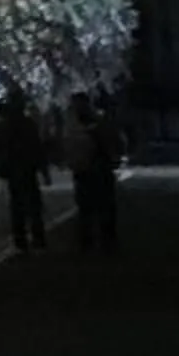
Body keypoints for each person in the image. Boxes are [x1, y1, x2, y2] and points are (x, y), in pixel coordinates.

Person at [0, 91, 49, 251]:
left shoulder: (4, 125)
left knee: (18, 206)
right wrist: (44, 170)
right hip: (26, 168)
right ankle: (37, 238)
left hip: (14, 169)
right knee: (33, 205)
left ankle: (21, 239)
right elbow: (37, 147)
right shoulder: (27, 123)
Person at [67, 90, 121, 251]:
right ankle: (92, 241)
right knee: (89, 208)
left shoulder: (95, 123)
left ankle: (103, 240)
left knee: (100, 208)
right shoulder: (78, 125)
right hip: (86, 171)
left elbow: (112, 142)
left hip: (97, 170)